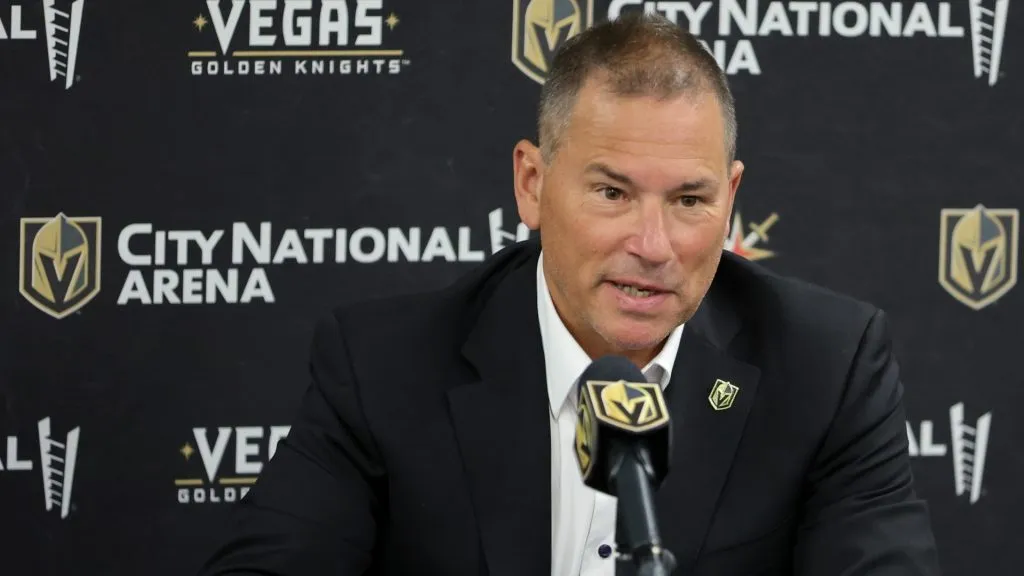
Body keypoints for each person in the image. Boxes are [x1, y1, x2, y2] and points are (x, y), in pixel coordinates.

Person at [197, 12, 940, 576]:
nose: (654, 246)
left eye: (689, 200)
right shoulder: (385, 367)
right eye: (612, 192)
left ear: (731, 196)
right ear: (533, 184)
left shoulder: (825, 365)